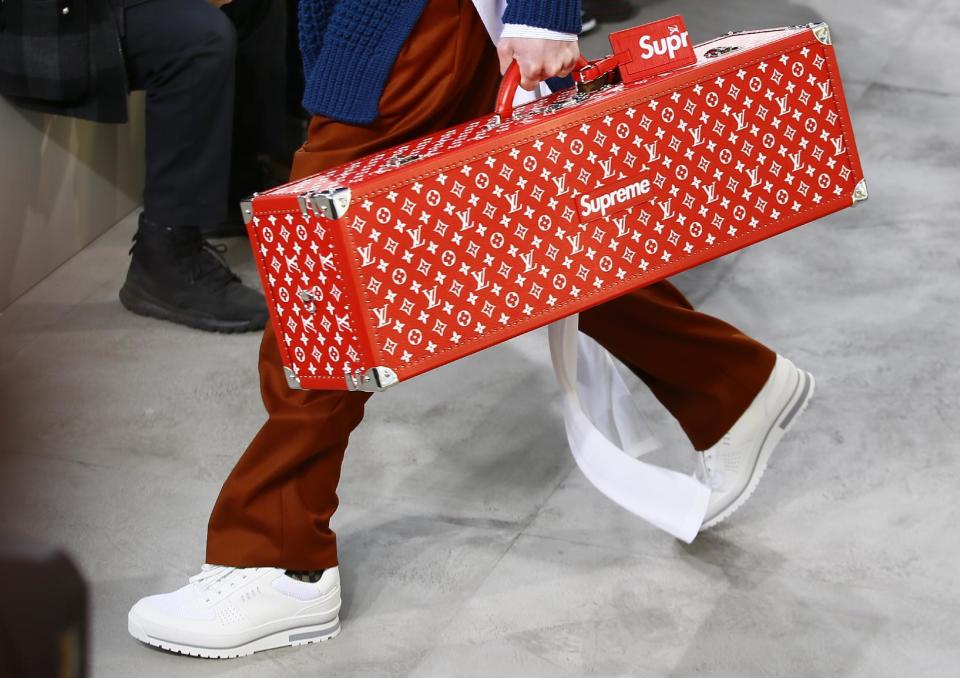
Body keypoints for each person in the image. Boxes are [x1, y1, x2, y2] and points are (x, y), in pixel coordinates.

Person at [127, 0, 814, 658]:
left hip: (412, 21)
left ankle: (276, 558)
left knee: (324, 273)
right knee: (514, 226)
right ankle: (730, 386)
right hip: (415, 22)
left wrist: (541, 8)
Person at [0, 0, 268, 332]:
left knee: (250, 7)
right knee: (201, 40)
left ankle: (232, 192)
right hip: (40, 18)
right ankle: (166, 255)